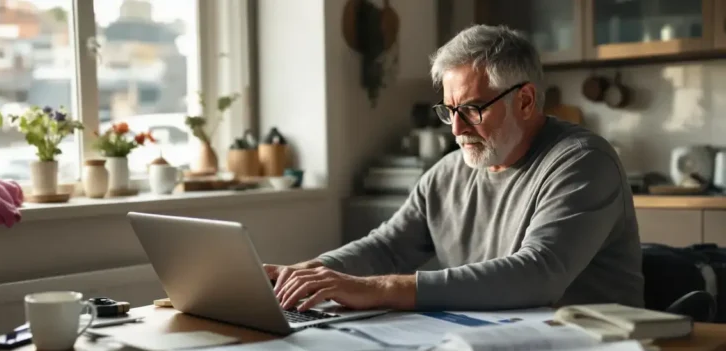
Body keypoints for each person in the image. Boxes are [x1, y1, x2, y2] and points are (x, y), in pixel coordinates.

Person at [265, 24, 644, 313]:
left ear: (525, 101)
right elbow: (387, 248)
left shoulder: (582, 162)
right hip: (492, 350)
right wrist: (307, 273)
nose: (458, 129)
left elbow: (538, 274)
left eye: (473, 109)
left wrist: (379, 289)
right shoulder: (447, 174)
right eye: (450, 111)